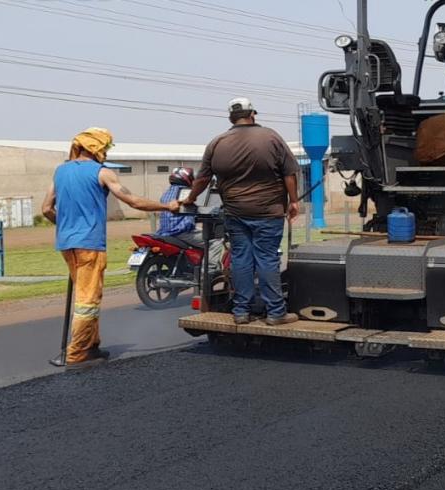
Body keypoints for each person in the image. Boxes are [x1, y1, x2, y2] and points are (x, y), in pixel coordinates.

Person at [42, 127, 179, 365]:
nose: (105, 152)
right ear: (97, 147)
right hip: (90, 245)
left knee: (88, 293)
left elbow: (46, 209)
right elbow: (132, 200)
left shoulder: (60, 172)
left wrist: (65, 227)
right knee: (87, 300)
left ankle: (92, 345)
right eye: (105, 147)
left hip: (67, 244)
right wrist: (168, 207)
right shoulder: (102, 173)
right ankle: (77, 353)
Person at [183, 98, 300, 326]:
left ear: (230, 118)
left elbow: (204, 178)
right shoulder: (271, 137)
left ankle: (241, 312)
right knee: (266, 259)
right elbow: (289, 173)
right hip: (268, 212)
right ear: (253, 114)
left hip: (235, 213)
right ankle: (276, 313)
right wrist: (294, 201)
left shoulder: (217, 143)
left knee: (240, 260)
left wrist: (190, 198)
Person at [156, 167, 224, 271]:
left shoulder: (167, 193)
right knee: (216, 240)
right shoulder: (186, 193)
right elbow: (198, 209)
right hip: (181, 232)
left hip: (165, 232)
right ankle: (208, 272)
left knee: (201, 232)